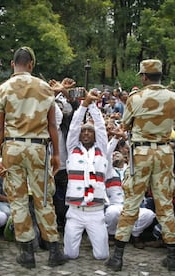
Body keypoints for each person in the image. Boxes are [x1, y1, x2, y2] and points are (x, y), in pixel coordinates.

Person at [0, 46, 67, 268]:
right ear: (32, 64)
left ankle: (27, 252)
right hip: (38, 148)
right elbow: (53, 125)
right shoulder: (45, 88)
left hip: (12, 147)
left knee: (18, 200)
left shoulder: (2, 89)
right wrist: (56, 154)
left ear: (12, 64)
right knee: (43, 197)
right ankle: (54, 250)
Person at [106, 59, 175, 271]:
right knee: (165, 203)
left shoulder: (135, 98)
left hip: (141, 153)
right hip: (165, 152)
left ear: (144, 76)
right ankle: (172, 257)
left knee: (131, 202)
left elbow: (126, 124)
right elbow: (173, 120)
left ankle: (118, 257)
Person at [63, 90, 110, 260]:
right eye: (83, 132)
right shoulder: (72, 149)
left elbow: (101, 127)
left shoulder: (101, 151)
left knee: (102, 255)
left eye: (90, 131)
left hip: (96, 212)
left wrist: (93, 106)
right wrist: (83, 106)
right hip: (75, 211)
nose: (86, 133)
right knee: (70, 254)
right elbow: (74, 126)